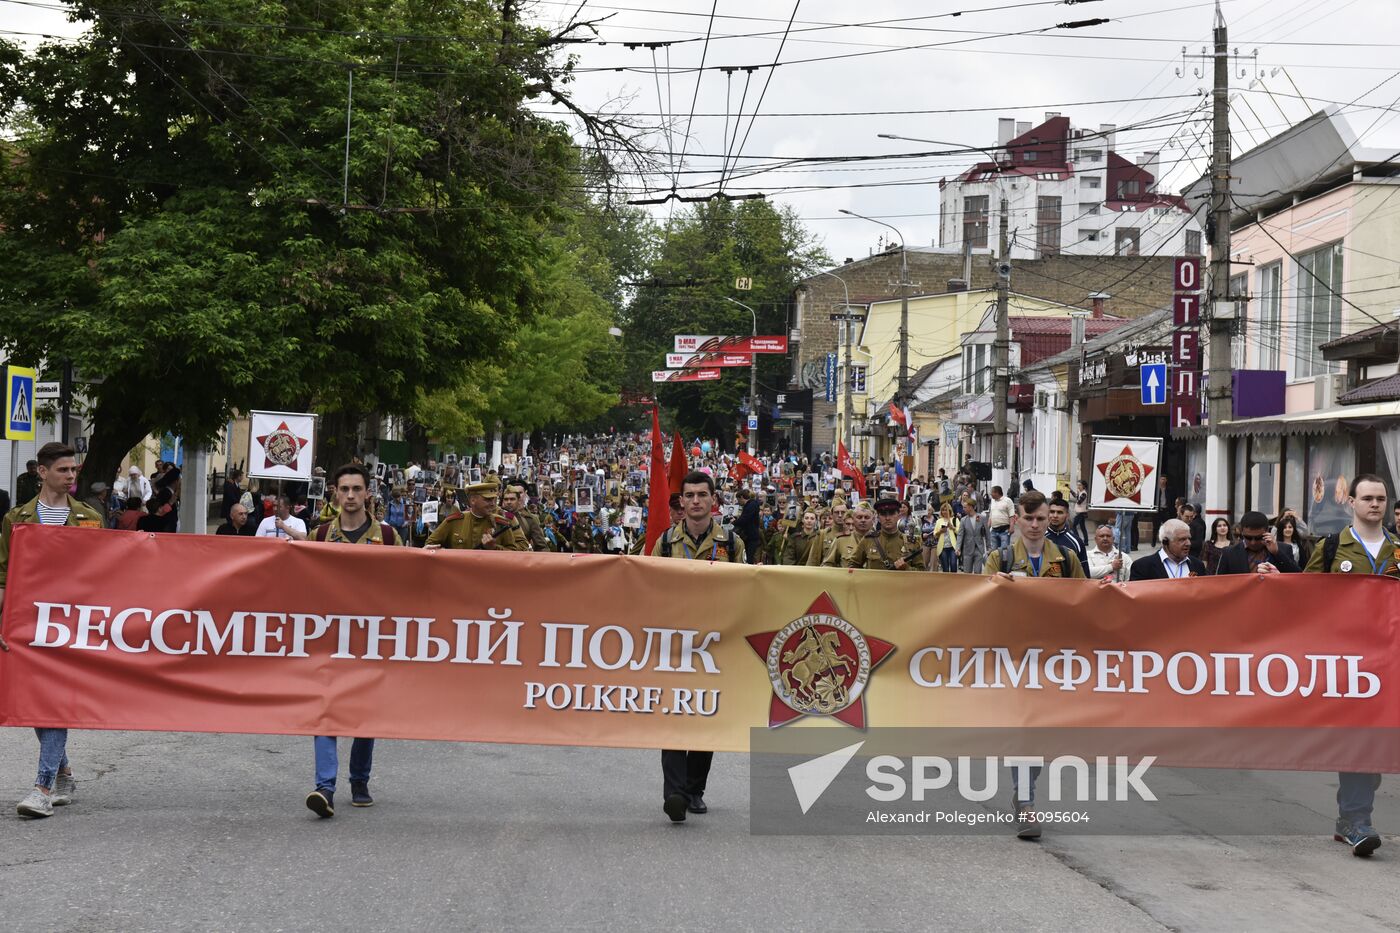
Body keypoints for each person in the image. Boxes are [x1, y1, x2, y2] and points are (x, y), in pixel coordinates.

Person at [2, 442, 105, 819]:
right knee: (36, 703)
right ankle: (64, 774)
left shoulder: (90, 518)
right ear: (41, 472)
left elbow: (108, 571)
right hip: (28, 622)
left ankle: (42, 788)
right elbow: (4, 574)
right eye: (63, 470)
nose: (71, 476)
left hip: (73, 624)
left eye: (74, 471)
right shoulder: (17, 519)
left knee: (53, 701)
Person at [1304, 474, 1398, 857]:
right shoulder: (1331, 547)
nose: (1375, 505)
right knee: (1361, 741)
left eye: (1381, 498)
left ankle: (1351, 816)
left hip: (1391, 664)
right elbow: (1303, 598)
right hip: (1348, 665)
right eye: (1368, 498)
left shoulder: (1398, 551)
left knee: (1378, 748)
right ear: (1352, 503)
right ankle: (1358, 821)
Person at [983, 488, 1084, 839]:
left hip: (1054, 660)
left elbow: (1085, 606)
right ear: (1016, 520)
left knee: (1042, 737)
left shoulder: (1068, 559)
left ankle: (1025, 788)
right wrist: (995, 587)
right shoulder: (1001, 559)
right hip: (1013, 659)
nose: (1036, 525)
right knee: (1023, 732)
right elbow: (976, 604)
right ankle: (1026, 803)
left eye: (1041, 518)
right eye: (1029, 518)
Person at [304, 464, 403, 818]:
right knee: (325, 709)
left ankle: (359, 779)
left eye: (356, 489)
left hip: (371, 639)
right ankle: (324, 788)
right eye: (343, 489)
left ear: (367, 494)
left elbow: (405, 586)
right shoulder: (319, 537)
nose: (349, 496)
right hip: (327, 638)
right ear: (334, 492)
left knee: (364, 713)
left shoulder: (389, 537)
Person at [651, 471, 744, 823]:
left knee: (707, 714)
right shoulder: (665, 542)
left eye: (701, 495)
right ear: (682, 502)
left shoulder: (731, 543)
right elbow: (646, 582)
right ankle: (674, 793)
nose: (694, 501)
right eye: (688, 496)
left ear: (713, 500)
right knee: (673, 713)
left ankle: (694, 789)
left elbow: (746, 586)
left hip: (717, 641)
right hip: (675, 641)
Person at [425, 478, 526, 551]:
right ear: (473, 500)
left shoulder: (502, 524)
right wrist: (445, 553)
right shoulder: (453, 521)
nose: (492, 503)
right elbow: (430, 545)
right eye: (487, 499)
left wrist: (494, 548)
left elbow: (514, 555)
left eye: (494, 499)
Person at [847, 495, 925, 570]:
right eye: (883, 514)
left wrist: (906, 568)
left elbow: (922, 572)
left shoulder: (911, 542)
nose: (887, 518)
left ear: (898, 515)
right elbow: (852, 566)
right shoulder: (868, 540)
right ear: (878, 517)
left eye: (891, 514)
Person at [1214, 511, 1300, 575]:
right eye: (1248, 537)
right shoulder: (1229, 553)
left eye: (1258, 538)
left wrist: (1277, 553)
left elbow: (1297, 577)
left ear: (1267, 532)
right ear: (1242, 532)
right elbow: (1220, 583)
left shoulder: (1283, 549)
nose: (1253, 542)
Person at [1128, 519, 1206, 580]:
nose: (1188, 543)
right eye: (1182, 539)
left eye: (1189, 538)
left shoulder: (1198, 565)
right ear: (1166, 542)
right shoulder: (1142, 567)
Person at [1046, 497, 1088, 570]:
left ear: (1067, 515)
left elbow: (1084, 574)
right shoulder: (1039, 539)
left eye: (1059, 512)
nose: (1055, 516)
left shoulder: (1077, 542)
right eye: (1052, 512)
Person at [956, 496, 989, 574]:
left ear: (971, 507)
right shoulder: (963, 520)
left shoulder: (982, 518)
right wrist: (958, 548)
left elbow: (987, 533)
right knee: (967, 573)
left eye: (965, 507)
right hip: (967, 550)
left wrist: (989, 547)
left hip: (979, 549)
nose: (963, 509)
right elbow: (960, 535)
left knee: (978, 572)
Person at [930, 502, 960, 573]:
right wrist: (940, 531)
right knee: (945, 568)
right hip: (942, 547)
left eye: (946, 510)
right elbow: (935, 534)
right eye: (943, 510)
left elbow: (959, 532)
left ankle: (954, 581)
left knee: (953, 565)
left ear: (949, 510)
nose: (944, 512)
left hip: (953, 547)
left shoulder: (955, 520)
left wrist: (952, 527)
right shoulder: (938, 521)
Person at [987, 485, 1013, 552]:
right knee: (994, 552)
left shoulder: (1007, 501)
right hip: (994, 530)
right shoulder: (992, 502)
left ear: (997, 493)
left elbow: (1011, 515)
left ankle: (1003, 563)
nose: (990, 494)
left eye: (992, 492)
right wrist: (987, 527)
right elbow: (991, 515)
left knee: (1004, 551)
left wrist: (1012, 527)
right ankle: (996, 563)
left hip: (1004, 531)